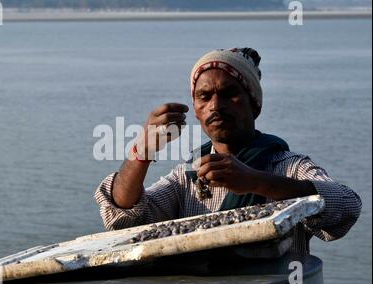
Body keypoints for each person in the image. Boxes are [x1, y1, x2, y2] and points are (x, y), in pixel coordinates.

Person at [95, 48, 362, 255]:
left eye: (229, 93)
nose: (216, 106)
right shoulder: (189, 176)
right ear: (196, 111)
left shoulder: (287, 166)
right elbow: (123, 218)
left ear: (255, 104)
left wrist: (255, 181)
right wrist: (141, 151)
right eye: (204, 96)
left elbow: (347, 205)